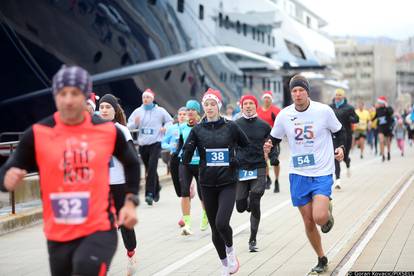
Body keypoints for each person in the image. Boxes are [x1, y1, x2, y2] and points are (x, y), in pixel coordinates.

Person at [0, 65, 140, 276]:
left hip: (99, 228)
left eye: (74, 93)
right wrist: (7, 179)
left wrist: (131, 201)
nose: (68, 100)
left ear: (85, 97)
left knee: (85, 268)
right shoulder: (38, 134)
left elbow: (132, 163)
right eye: (62, 93)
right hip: (58, 232)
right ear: (55, 96)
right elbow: (9, 168)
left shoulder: (107, 131)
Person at [264, 74, 345, 274]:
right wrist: (268, 145)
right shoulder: (284, 115)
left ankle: (327, 211)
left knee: (318, 217)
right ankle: (321, 258)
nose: (298, 94)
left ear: (307, 91)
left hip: (322, 170)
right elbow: (273, 138)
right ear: (291, 93)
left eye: (301, 90)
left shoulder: (323, 111)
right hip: (298, 173)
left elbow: (339, 131)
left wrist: (341, 148)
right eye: (294, 91)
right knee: (308, 221)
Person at [182, 88, 249, 275]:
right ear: (203, 107)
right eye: (206, 104)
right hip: (207, 183)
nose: (209, 107)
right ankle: (225, 264)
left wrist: (237, 161)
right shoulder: (197, 129)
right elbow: (186, 156)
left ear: (218, 106)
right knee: (214, 229)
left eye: (213, 104)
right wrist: (186, 170)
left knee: (221, 223)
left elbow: (246, 146)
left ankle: (231, 250)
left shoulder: (231, 126)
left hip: (228, 182)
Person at [98, 94, 139, 275]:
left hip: (120, 183)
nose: (104, 110)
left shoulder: (122, 130)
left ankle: (131, 253)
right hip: (101, 186)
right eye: (102, 107)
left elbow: (131, 159)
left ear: (115, 110)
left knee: (124, 225)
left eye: (108, 107)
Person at [234, 94, 278, 252]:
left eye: (251, 103)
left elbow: (272, 144)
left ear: (255, 106)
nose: (248, 106)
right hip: (241, 168)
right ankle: (246, 202)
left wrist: (273, 158)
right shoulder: (235, 125)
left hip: (258, 166)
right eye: (245, 103)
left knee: (256, 196)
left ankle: (252, 239)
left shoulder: (264, 126)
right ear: (241, 106)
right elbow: (228, 144)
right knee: (240, 206)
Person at [127, 89, 173, 205]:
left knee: (152, 167)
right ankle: (156, 187)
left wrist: (165, 128)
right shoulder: (138, 111)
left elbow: (170, 121)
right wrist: (135, 123)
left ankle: (149, 194)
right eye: (144, 98)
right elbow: (129, 125)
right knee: (149, 168)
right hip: (143, 144)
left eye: (147, 97)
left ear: (152, 98)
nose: (145, 100)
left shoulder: (160, 111)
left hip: (156, 143)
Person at [177, 100, 208, 235]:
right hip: (185, 164)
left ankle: (206, 215)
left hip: (200, 164)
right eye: (188, 109)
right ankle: (187, 223)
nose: (190, 112)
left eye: (193, 110)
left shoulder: (203, 127)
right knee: (184, 192)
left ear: (197, 112)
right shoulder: (182, 127)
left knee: (202, 194)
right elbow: (180, 146)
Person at [161, 107, 188, 226]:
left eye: (184, 114)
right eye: (180, 114)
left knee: (184, 187)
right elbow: (163, 143)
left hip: (187, 159)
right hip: (174, 157)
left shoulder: (190, 128)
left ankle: (185, 215)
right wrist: (171, 146)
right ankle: (185, 198)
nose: (182, 116)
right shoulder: (172, 128)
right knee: (178, 187)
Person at [329, 88, 358, 189]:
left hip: (346, 136)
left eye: (340, 95)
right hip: (334, 136)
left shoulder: (349, 108)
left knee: (344, 157)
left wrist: (351, 118)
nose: (338, 97)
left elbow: (356, 119)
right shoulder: (330, 107)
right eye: (336, 95)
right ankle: (338, 180)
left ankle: (348, 162)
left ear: (343, 97)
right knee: (336, 156)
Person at [257, 91, 281, 193]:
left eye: (268, 98)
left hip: (273, 140)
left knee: (275, 161)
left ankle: (276, 180)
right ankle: (268, 178)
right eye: (265, 98)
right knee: (263, 161)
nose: (267, 100)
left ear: (271, 99)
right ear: (263, 99)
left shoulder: (276, 110)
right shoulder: (258, 111)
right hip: (261, 140)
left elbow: (280, 124)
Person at [372, 96, 394, 162]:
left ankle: (388, 152)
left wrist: (387, 107)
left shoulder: (388, 108)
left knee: (388, 142)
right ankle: (383, 155)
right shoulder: (378, 109)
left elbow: (391, 112)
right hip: (380, 127)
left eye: (380, 103)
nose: (379, 104)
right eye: (379, 103)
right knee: (381, 141)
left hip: (387, 127)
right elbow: (375, 116)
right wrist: (370, 121)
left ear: (383, 103)